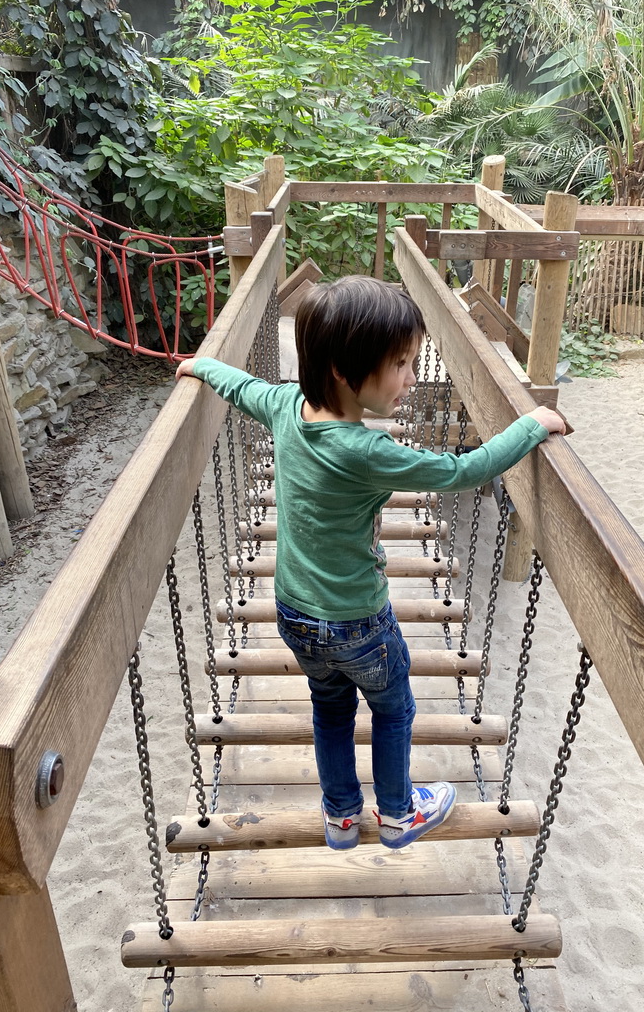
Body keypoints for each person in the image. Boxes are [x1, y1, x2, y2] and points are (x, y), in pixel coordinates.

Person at [176, 276, 565, 851]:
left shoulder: (285, 406)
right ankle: (399, 815)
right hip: (360, 620)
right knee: (393, 708)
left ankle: (340, 818)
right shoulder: (369, 452)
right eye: (401, 364)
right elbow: (465, 471)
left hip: (295, 613)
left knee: (330, 710)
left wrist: (201, 367)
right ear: (342, 368)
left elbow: (241, 386)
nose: (411, 377)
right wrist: (532, 426)